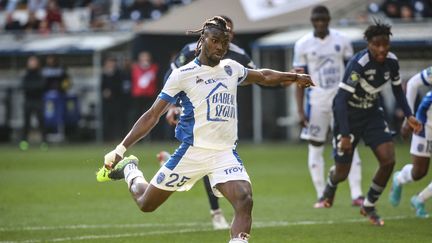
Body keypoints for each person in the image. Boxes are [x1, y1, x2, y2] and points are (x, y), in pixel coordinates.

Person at [97, 16, 314, 243]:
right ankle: (131, 170)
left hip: (224, 153)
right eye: (215, 40)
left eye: (224, 42)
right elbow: (152, 115)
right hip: (192, 152)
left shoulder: (231, 68)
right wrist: (120, 149)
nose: (220, 47)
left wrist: (295, 76)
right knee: (146, 204)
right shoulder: (182, 75)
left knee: (244, 199)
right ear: (203, 39)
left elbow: (263, 75)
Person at [319, 21, 422, 226]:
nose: (382, 49)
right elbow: (340, 100)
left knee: (388, 160)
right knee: (342, 172)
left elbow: (397, 91)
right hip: (348, 116)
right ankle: (331, 183)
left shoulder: (392, 62)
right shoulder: (359, 64)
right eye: (377, 45)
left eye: (385, 44)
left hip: (372, 114)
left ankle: (368, 205)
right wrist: (346, 135)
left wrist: (409, 115)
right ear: (369, 44)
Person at [159, 15, 256, 230]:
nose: (221, 42)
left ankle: (174, 166)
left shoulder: (237, 56)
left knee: (210, 157)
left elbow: (260, 78)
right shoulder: (189, 51)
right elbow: (172, 74)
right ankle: (216, 212)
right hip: (192, 106)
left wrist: (290, 79)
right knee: (202, 149)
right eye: (217, 37)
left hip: (221, 109)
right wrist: (173, 105)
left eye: (226, 36)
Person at [294, 5, 364, 208]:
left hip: (341, 101)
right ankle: (322, 195)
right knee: (315, 146)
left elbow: (353, 74)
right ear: (312, 21)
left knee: (348, 143)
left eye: (324, 19)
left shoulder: (342, 40)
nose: (321, 23)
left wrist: (355, 100)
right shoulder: (303, 44)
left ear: (329, 19)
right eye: (317, 19)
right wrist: (299, 110)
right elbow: (299, 79)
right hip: (316, 102)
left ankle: (357, 194)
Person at [389, 66, 432, 217]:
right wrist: (409, 116)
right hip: (426, 123)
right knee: (419, 172)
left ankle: (419, 199)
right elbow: (413, 83)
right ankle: (399, 178)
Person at [20, 55, 47, 150]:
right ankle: (24, 142)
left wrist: (32, 88)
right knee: (26, 122)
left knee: (41, 122)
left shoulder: (40, 75)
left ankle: (44, 142)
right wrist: (34, 88)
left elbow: (42, 86)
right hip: (28, 101)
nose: (32, 64)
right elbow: (24, 86)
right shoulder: (26, 75)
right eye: (31, 62)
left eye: (34, 62)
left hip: (38, 101)